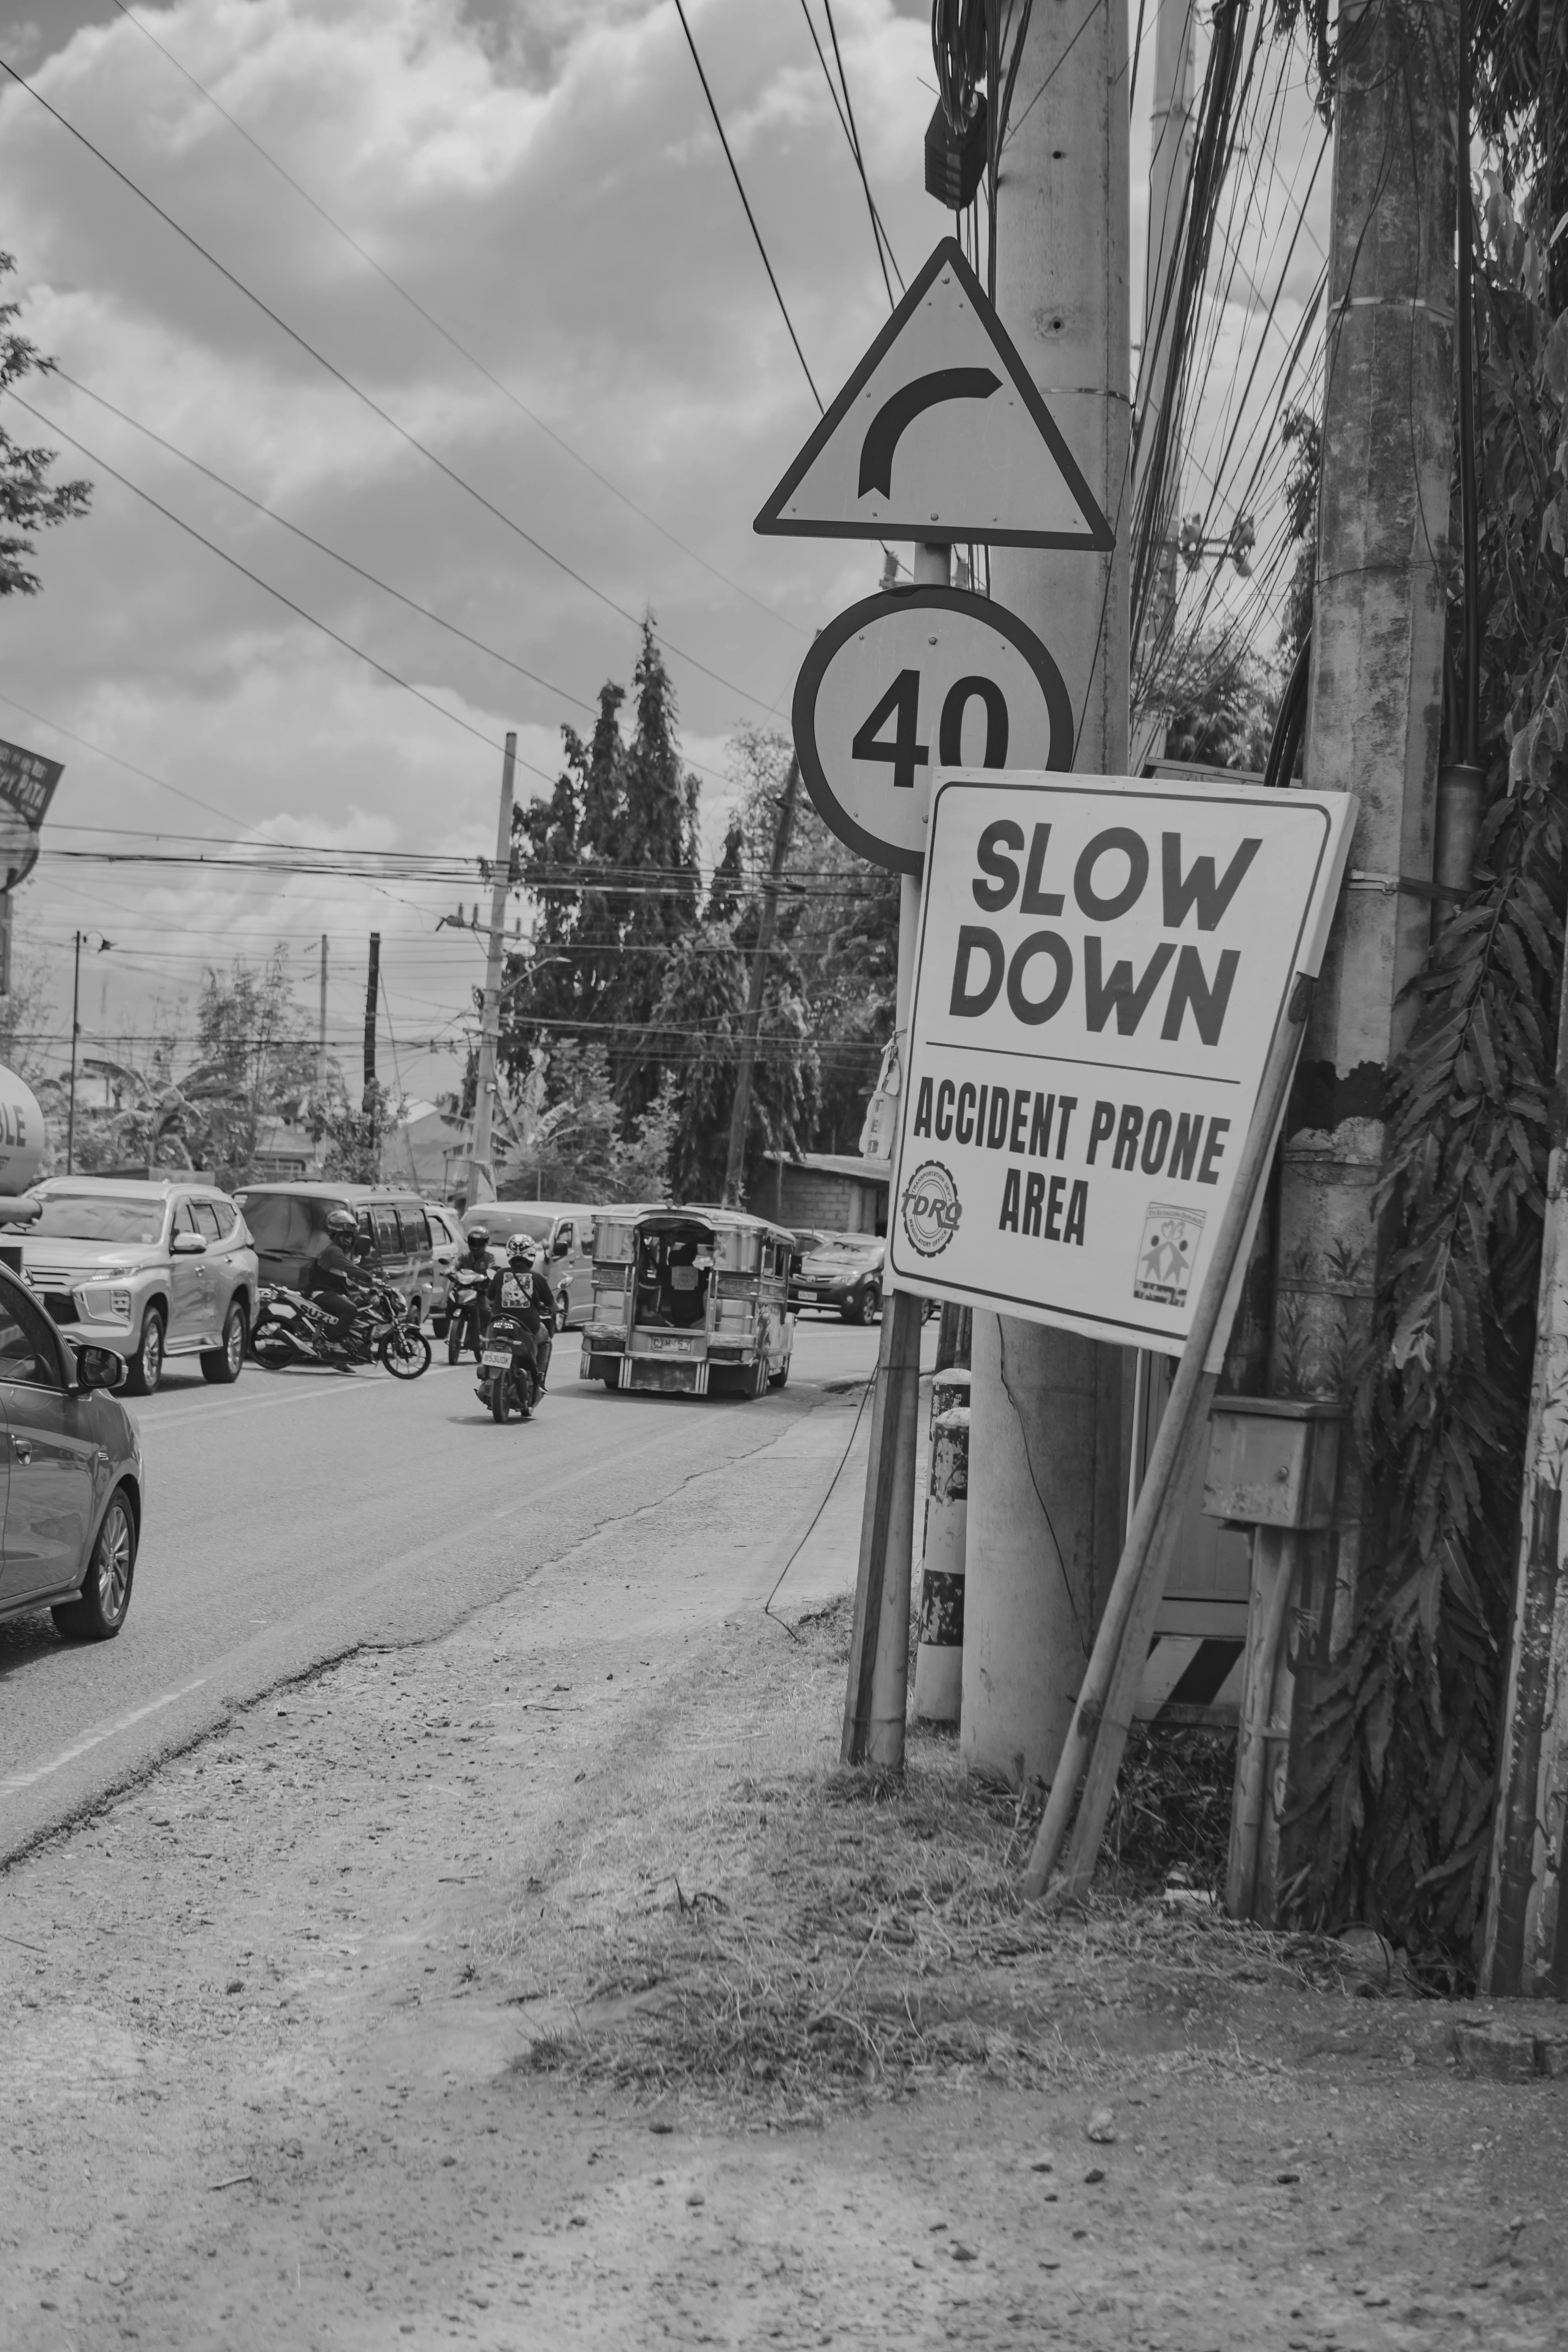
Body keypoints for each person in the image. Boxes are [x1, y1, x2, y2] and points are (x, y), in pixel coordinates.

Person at [485, 1233, 557, 1392]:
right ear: (531, 1254)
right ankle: (540, 1377)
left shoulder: (500, 1275)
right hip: (528, 1328)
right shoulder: (538, 1278)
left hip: (499, 1324)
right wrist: (558, 1309)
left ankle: (488, 1372)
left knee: (488, 1340)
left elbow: (489, 1300)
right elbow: (553, 1305)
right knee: (545, 1340)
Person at [300, 1207, 373, 1347]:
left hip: (334, 1293)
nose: (349, 1240)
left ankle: (343, 1356)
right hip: (324, 1294)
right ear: (336, 1236)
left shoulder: (338, 1252)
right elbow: (351, 1269)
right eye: (346, 1236)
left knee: (360, 1311)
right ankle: (331, 1341)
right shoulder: (333, 1252)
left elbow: (343, 1278)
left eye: (351, 1237)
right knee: (350, 1310)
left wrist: (361, 1289)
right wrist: (370, 1279)